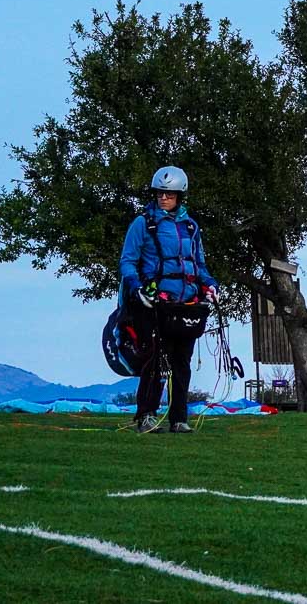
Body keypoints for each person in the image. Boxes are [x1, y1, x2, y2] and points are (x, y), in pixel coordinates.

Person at [120, 165, 220, 434]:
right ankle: (146, 415)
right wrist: (137, 288)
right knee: (155, 360)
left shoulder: (191, 227)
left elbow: (199, 264)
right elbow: (128, 261)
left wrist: (211, 285)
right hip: (154, 304)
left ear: (179, 196)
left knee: (182, 363)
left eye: (169, 194)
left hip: (186, 303)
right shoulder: (143, 224)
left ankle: (179, 419)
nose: (163, 198)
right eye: (160, 193)